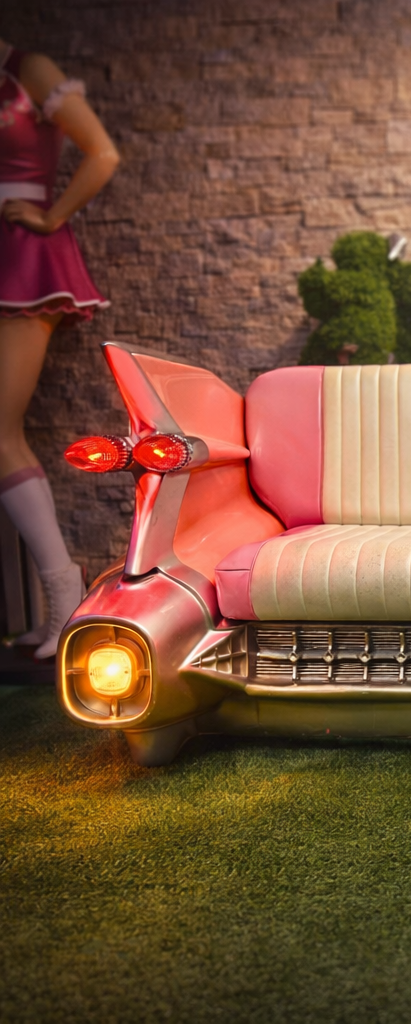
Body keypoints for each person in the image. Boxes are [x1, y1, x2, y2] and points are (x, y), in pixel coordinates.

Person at [0, 38, 119, 659]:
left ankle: (64, 590)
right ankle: (59, 595)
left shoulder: (26, 69)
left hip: (21, 258)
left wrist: (51, 218)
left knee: (0, 431)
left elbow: (103, 153)